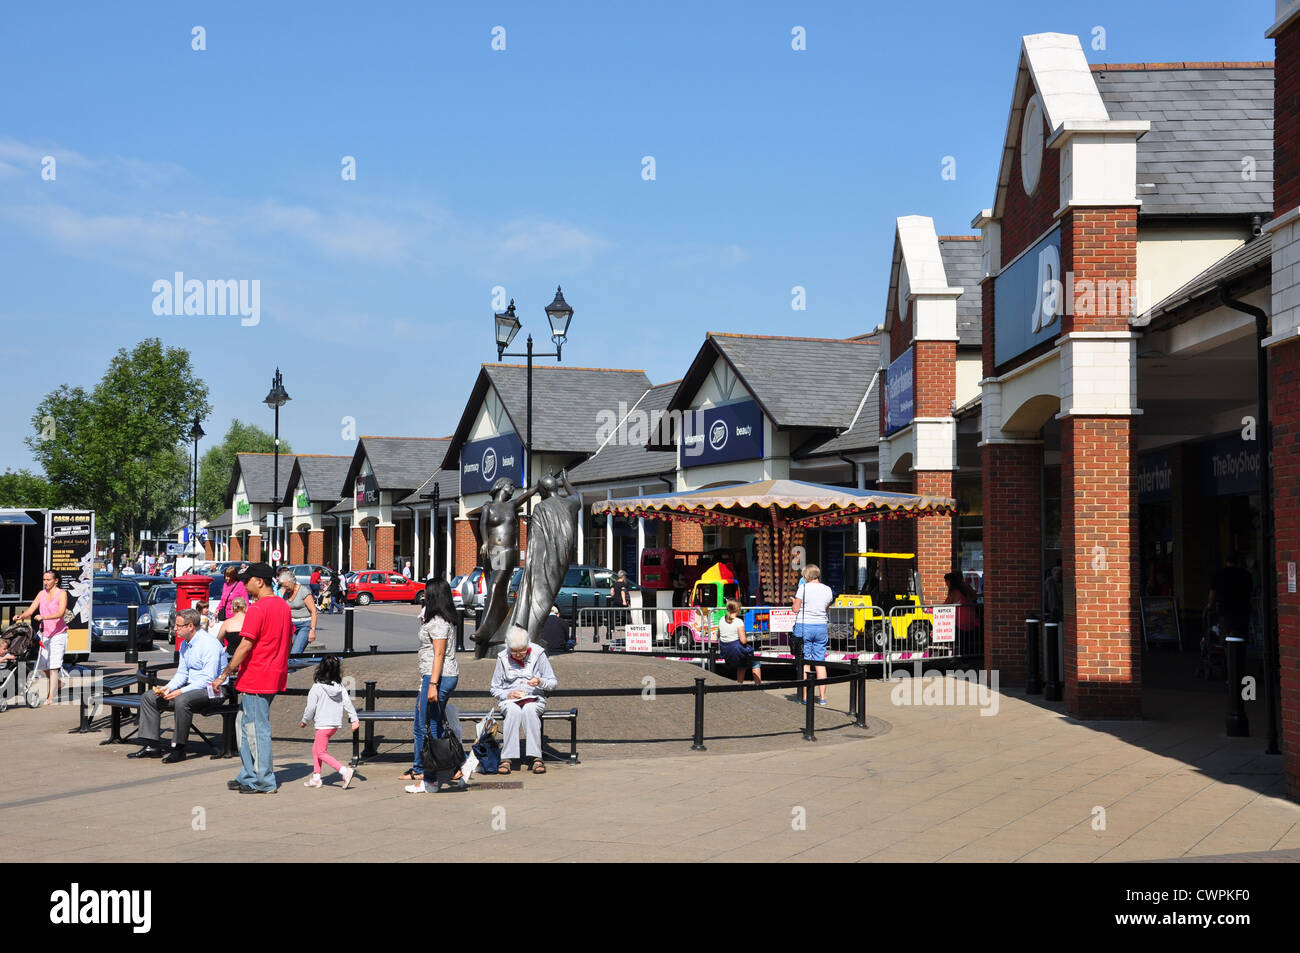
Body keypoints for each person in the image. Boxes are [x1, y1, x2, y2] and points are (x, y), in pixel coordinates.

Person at [211, 563, 294, 794]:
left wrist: (225, 673)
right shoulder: (283, 607)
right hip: (272, 674)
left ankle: (264, 781)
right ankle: (248, 775)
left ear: (259, 581)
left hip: (257, 675)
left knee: (257, 730)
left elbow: (245, 645)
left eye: (247, 580)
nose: (244, 585)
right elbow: (287, 640)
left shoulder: (257, 609)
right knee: (245, 727)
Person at [129, 609, 229, 763]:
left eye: (178, 625)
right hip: (192, 688)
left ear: (190, 626)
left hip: (214, 690)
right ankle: (152, 746)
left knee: (182, 700)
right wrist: (168, 688)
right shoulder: (185, 645)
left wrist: (179, 692)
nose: (174, 628)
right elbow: (182, 673)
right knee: (149, 697)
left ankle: (179, 748)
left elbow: (208, 678)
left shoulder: (209, 644)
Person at [405, 578, 462, 793]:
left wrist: (432, 685)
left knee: (425, 726)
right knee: (434, 723)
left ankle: (429, 778)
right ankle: (449, 768)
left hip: (437, 676)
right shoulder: (440, 619)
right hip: (435, 676)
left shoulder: (439, 621)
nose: (423, 597)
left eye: (427, 594)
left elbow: (439, 654)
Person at [490, 626, 558, 775]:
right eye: (514, 651)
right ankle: (507, 758)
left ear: (527, 645)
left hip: (534, 698)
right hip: (510, 701)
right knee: (513, 711)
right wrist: (508, 694)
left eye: (522, 651)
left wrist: (540, 681)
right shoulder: (502, 657)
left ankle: (536, 757)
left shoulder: (538, 653)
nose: (518, 655)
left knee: (529, 710)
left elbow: (552, 682)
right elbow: (495, 688)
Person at [299, 655, 358, 789]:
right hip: (334, 725)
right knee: (316, 749)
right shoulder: (339, 686)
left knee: (321, 752)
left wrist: (305, 720)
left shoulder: (317, 687)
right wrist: (354, 719)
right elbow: (347, 703)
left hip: (323, 725)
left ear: (320, 669)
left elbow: (310, 708)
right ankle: (316, 777)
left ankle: (344, 770)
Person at [15, 571, 69, 707]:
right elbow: (31, 609)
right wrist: (21, 616)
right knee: (43, 665)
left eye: (49, 579)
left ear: (56, 581)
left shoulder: (61, 593)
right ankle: (58, 683)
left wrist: (44, 617)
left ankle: (51, 696)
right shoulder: (41, 593)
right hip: (45, 633)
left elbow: (61, 613)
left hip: (59, 633)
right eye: (44, 579)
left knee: (54, 665)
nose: (46, 582)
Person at [791, 564, 833, 706]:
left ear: (806, 576)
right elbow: (826, 608)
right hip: (821, 626)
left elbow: (795, 609)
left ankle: (805, 697)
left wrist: (794, 603)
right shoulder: (827, 589)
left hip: (805, 626)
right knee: (820, 661)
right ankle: (822, 697)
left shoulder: (803, 588)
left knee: (805, 662)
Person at [1208, 553, 1254, 643]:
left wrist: (1210, 605)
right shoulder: (1246, 574)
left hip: (1225, 610)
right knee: (1242, 635)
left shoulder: (1219, 574)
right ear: (1238, 562)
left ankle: (1227, 652)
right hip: (1242, 610)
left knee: (1225, 634)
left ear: (1227, 562)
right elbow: (1250, 593)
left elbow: (1212, 594)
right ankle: (1241, 653)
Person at [718, 599, 761, 684]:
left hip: (725, 651)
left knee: (743, 663)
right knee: (755, 662)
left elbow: (718, 635)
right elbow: (743, 641)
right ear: (737, 609)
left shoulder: (721, 619)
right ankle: (758, 686)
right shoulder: (738, 621)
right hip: (736, 651)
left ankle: (739, 684)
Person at [280, 568, 318, 656]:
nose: (285, 589)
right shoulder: (286, 593)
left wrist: (312, 630)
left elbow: (313, 611)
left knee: (295, 653)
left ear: (293, 582)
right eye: (283, 586)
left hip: (304, 625)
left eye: (286, 586)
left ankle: (293, 670)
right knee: (287, 654)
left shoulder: (303, 591)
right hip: (291, 626)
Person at [944, 571, 980, 641]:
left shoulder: (955, 592)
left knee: (962, 643)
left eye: (946, 582)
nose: (946, 584)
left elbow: (946, 605)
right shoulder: (966, 587)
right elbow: (975, 596)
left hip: (962, 621)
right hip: (971, 617)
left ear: (951, 581)